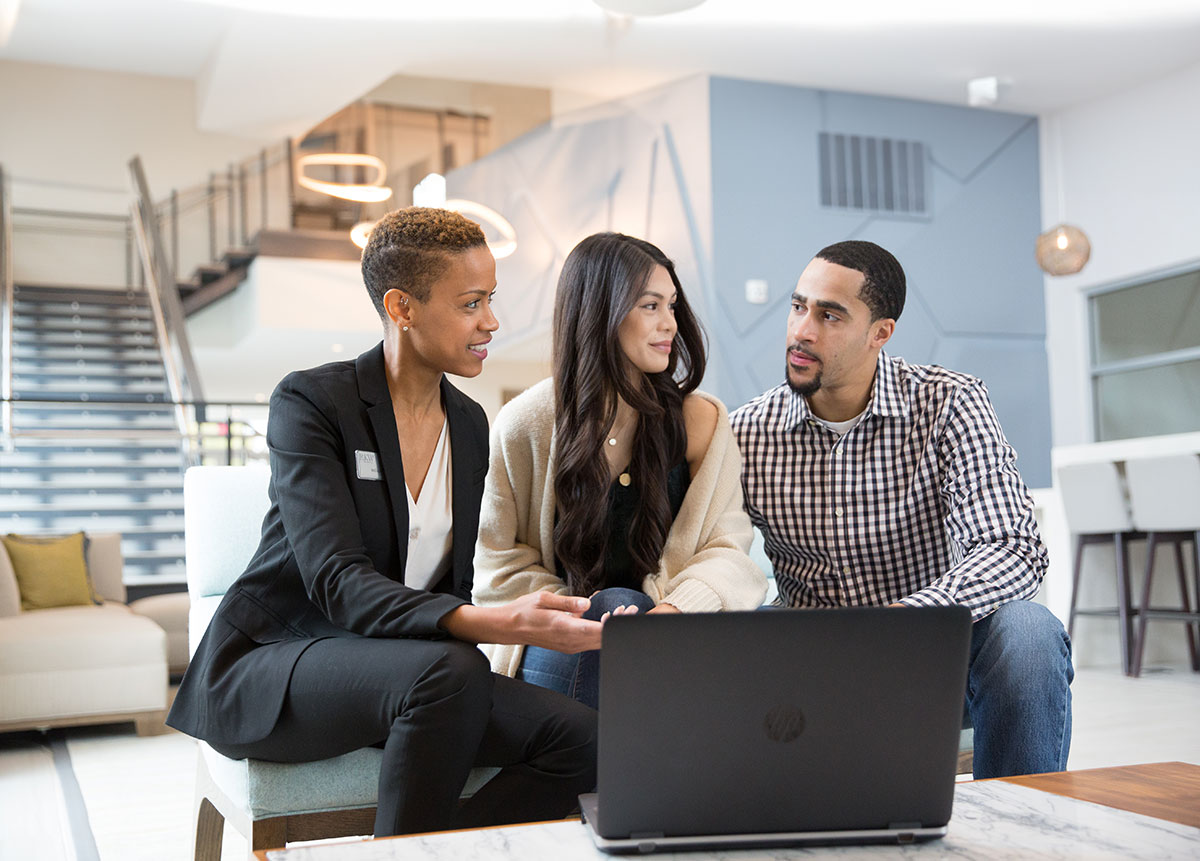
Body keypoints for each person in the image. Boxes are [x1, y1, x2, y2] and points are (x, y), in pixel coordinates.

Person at [167, 208, 604, 837]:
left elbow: (447, 589)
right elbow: (338, 581)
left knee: (586, 738)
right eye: (471, 303)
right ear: (402, 308)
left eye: (491, 299)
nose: (491, 321)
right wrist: (498, 622)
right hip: (280, 662)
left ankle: (425, 851)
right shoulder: (313, 403)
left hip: (411, 676)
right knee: (452, 672)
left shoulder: (471, 424)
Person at [730, 239, 1072, 779]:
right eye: (798, 307)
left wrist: (906, 620)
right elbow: (714, 551)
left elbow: (1015, 547)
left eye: (830, 314)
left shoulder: (948, 403)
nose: (802, 331)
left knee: (1029, 633)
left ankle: (1021, 826)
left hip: (931, 659)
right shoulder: (746, 431)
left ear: (880, 333)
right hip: (811, 665)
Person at [472, 232, 766, 709]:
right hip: (558, 641)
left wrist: (671, 610)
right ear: (600, 310)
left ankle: (595, 778)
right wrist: (577, 615)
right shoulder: (526, 423)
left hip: (667, 638)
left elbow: (728, 551)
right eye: (650, 306)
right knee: (612, 611)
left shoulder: (701, 420)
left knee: (631, 620)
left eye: (672, 306)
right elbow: (500, 565)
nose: (669, 323)